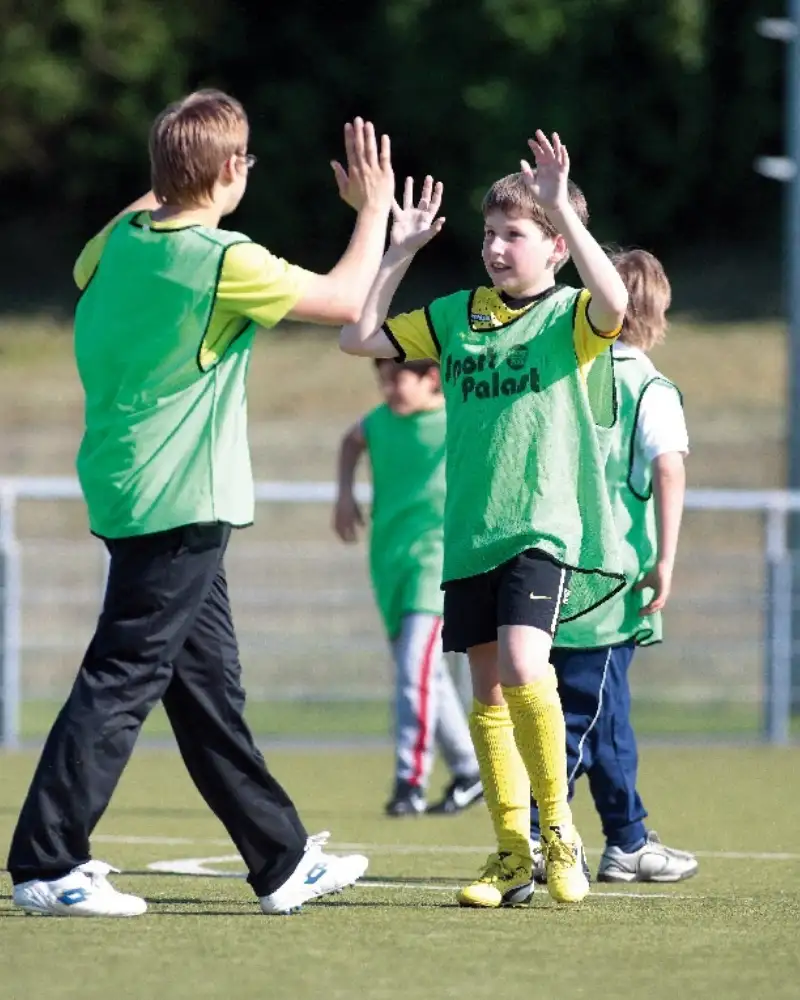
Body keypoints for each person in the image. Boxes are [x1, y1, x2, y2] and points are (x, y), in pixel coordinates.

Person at [7, 89, 399, 917]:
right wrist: (373, 209)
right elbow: (344, 300)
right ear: (228, 171)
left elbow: (141, 214)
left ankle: (280, 862)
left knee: (208, 689)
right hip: (178, 500)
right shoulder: (225, 259)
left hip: (137, 490)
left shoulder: (118, 242)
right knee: (123, 676)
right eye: (243, 159)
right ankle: (48, 861)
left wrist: (175, 165)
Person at [339, 132, 629, 908]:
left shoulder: (569, 314)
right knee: (487, 696)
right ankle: (509, 854)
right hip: (470, 532)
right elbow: (357, 337)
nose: (496, 248)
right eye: (490, 233)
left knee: (527, 668)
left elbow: (617, 304)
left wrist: (567, 208)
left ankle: (558, 831)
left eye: (515, 234)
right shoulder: (458, 315)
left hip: (541, 527)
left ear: (556, 247)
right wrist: (398, 253)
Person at [529, 249, 698, 883]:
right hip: (609, 574)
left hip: (548, 562)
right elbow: (668, 468)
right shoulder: (647, 386)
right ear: (657, 312)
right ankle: (537, 835)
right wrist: (667, 560)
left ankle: (627, 838)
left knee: (606, 713)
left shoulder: (564, 374)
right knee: (580, 713)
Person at [333, 358, 482, 818]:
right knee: (423, 674)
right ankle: (470, 770)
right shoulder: (379, 422)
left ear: (430, 378)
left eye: (397, 379)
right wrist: (344, 494)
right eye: (382, 380)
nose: (388, 389)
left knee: (414, 669)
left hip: (436, 562)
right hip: (389, 561)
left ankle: (409, 780)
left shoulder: (458, 418)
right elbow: (350, 442)